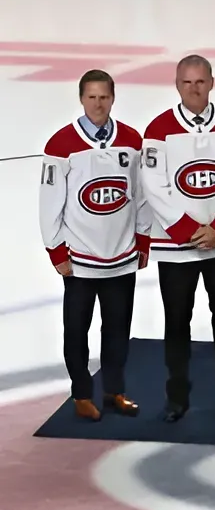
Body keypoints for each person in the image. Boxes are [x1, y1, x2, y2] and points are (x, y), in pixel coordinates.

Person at [140, 54, 215, 423]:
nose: (195, 89)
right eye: (187, 82)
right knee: (177, 322)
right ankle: (177, 398)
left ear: (211, 82)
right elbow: (153, 186)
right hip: (177, 248)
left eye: (201, 81)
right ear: (177, 85)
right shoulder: (159, 129)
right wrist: (188, 231)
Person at [39, 70, 148, 421]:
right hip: (80, 258)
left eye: (104, 97)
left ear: (113, 98)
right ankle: (82, 393)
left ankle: (114, 390)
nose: (98, 104)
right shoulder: (61, 144)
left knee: (118, 329)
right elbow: (49, 203)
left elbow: (141, 195)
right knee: (77, 330)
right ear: (81, 98)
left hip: (122, 255)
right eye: (92, 97)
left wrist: (142, 241)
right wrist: (56, 251)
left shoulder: (132, 140)